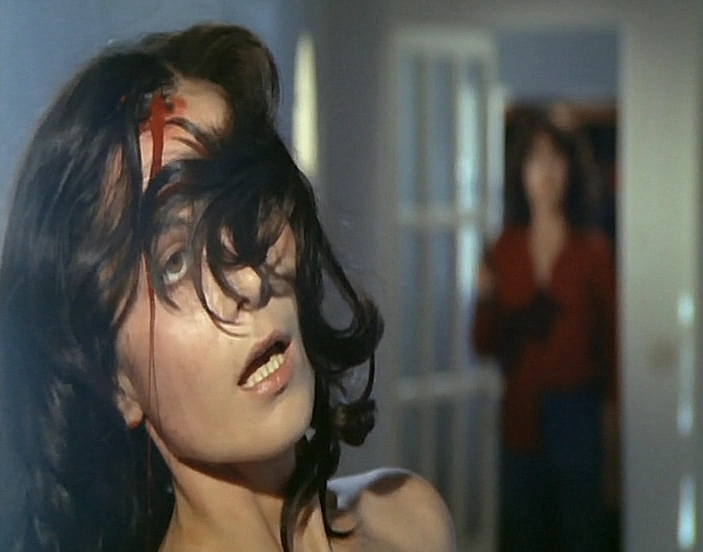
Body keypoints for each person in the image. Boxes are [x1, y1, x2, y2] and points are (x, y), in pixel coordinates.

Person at [0, 23, 454, 552]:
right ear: (113, 379)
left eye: (247, 206)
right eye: (174, 262)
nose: (249, 280)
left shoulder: (408, 517)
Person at [473, 115, 618, 551]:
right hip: (520, 414)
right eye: (536, 159)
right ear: (522, 172)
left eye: (556, 159)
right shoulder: (504, 249)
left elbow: (612, 348)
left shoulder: (592, 251)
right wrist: (484, 297)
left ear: (571, 170)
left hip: (577, 414)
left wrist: (611, 431)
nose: (547, 171)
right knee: (522, 532)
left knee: (580, 533)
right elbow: (483, 343)